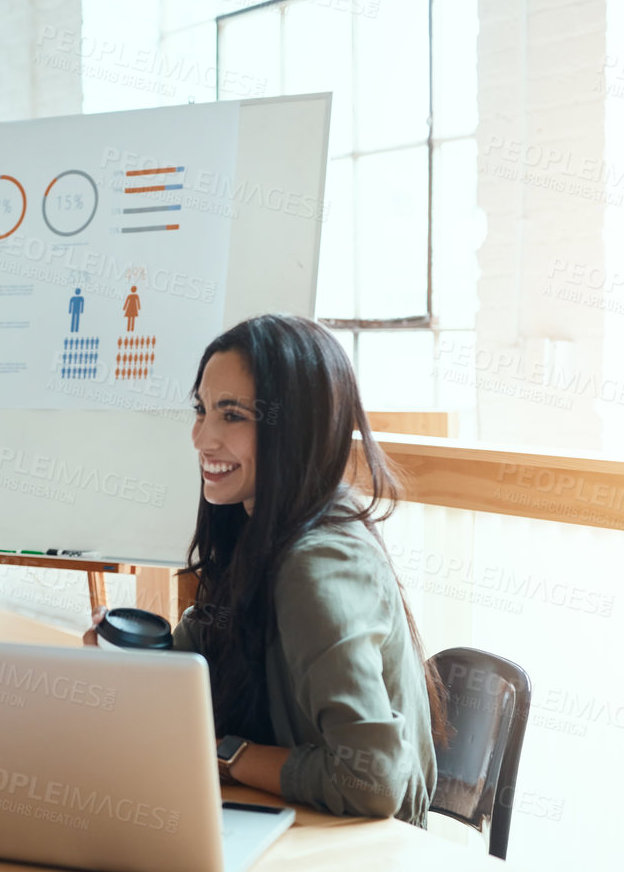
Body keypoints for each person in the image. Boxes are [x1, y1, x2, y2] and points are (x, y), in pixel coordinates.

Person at [88, 314, 444, 824]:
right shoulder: (256, 525)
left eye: (232, 416)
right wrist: (123, 658)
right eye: (202, 410)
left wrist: (225, 754)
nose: (202, 438)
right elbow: (201, 661)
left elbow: (373, 779)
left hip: (363, 855)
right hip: (292, 821)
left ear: (294, 430)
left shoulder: (317, 565)